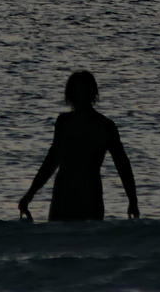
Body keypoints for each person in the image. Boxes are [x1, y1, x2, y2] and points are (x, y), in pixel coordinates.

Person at [18, 70, 140, 222]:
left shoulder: (103, 126)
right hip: (66, 195)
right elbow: (51, 161)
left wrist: (133, 200)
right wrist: (29, 195)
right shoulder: (70, 123)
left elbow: (122, 165)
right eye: (77, 92)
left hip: (86, 195)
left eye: (82, 91)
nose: (79, 96)